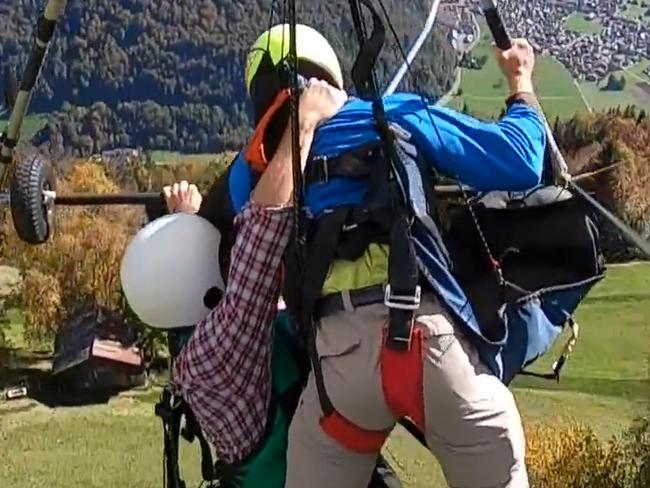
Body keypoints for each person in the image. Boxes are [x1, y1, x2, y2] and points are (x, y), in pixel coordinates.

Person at [153, 24, 403, 488]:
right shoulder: (222, 344)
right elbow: (262, 240)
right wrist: (304, 122)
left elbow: (259, 297)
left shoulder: (197, 342)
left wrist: (188, 222)